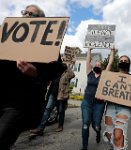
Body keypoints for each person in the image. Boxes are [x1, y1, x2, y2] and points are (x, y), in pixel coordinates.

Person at [0, 4, 66, 150]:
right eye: (25, 12)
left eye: (31, 14)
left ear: (41, 21)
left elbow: (57, 70)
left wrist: (36, 73)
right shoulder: (7, 36)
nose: (26, 15)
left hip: (18, 103)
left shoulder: (46, 43)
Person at [81, 48, 115, 150]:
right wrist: (89, 50)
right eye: (96, 64)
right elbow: (87, 60)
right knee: (86, 124)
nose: (97, 66)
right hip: (87, 102)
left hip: (99, 104)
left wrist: (112, 51)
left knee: (96, 125)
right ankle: (84, 147)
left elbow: (110, 63)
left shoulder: (104, 75)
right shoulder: (89, 73)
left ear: (101, 68)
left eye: (99, 65)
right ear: (93, 66)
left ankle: (98, 131)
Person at [103, 55, 131, 150]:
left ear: (129, 64)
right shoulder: (112, 77)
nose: (123, 61)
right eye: (121, 60)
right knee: (110, 133)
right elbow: (105, 85)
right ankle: (115, 146)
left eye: (125, 60)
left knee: (118, 136)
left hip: (124, 108)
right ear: (118, 63)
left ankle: (120, 146)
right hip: (110, 107)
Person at [30, 67, 75, 135]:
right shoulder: (54, 73)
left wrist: (66, 67)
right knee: (47, 109)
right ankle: (40, 128)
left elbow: (72, 75)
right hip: (53, 95)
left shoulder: (66, 74)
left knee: (61, 111)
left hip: (61, 95)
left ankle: (60, 126)